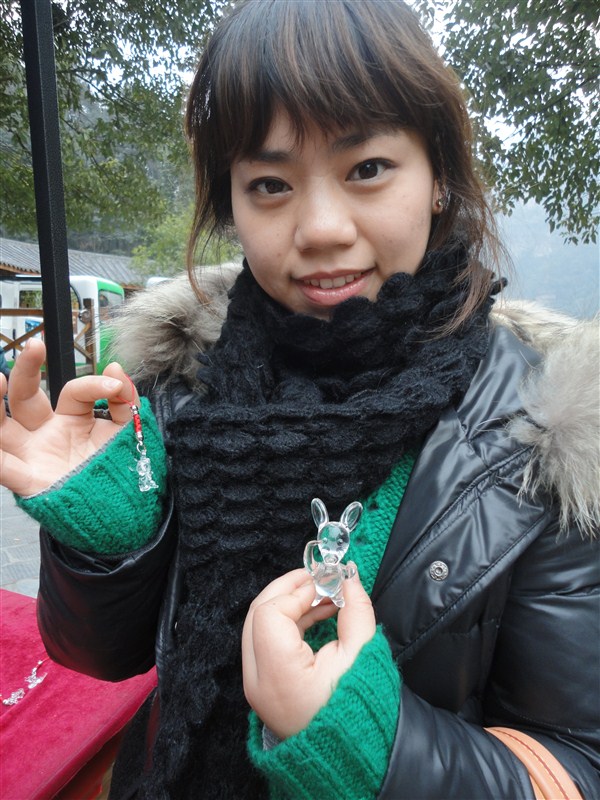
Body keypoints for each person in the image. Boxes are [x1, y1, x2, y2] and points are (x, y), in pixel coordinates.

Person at [0, 1, 598, 798]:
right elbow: (105, 656)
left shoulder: (550, 437)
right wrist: (108, 543)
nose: (319, 228)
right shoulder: (185, 386)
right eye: (271, 184)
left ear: (439, 177)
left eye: (367, 168)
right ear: (232, 202)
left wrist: (370, 744)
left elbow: (577, 764)